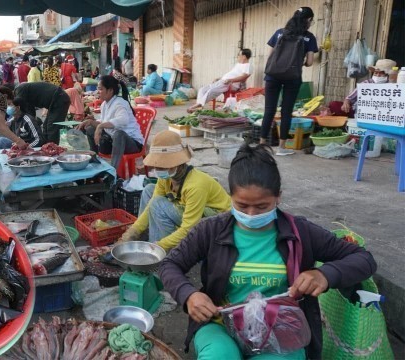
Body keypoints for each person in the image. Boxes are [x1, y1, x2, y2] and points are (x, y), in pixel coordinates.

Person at [158, 143, 377, 359]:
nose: (251, 214)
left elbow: (364, 259)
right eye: (242, 206)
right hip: (221, 325)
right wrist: (189, 295)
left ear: (278, 197)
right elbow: (170, 265)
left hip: (281, 328)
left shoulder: (301, 232)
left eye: (262, 206)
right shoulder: (211, 230)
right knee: (220, 355)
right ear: (230, 196)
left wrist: (324, 275)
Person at [119, 131, 231, 251]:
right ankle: (145, 238)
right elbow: (149, 206)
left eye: (163, 166)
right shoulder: (167, 178)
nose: (158, 169)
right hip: (193, 212)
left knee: (158, 204)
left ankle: (160, 255)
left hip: (218, 222)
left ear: (179, 163)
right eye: (157, 166)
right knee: (148, 190)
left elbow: (188, 228)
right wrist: (131, 233)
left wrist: (160, 246)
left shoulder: (196, 185)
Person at [260, 7, 318, 156]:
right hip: (292, 77)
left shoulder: (280, 32)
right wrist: (300, 63)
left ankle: (262, 145)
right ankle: (281, 148)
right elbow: (310, 62)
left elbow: (271, 56)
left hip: (273, 76)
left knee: (269, 110)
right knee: (286, 111)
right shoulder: (309, 37)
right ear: (309, 20)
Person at [76, 75, 144, 169]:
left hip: (132, 144)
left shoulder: (120, 103)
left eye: (100, 89)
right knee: (90, 128)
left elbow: (123, 120)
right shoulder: (104, 104)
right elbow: (103, 122)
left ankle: (113, 171)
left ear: (110, 90)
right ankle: (95, 160)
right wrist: (90, 122)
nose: (97, 92)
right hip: (114, 141)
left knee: (118, 134)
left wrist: (100, 127)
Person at [188, 49, 252, 112]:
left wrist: (230, 80)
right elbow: (231, 74)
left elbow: (243, 77)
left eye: (239, 55)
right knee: (202, 89)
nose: (238, 56)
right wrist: (220, 78)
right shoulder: (238, 64)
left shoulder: (248, 66)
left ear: (244, 56)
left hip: (230, 84)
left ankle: (197, 105)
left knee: (211, 91)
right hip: (223, 81)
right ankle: (199, 105)